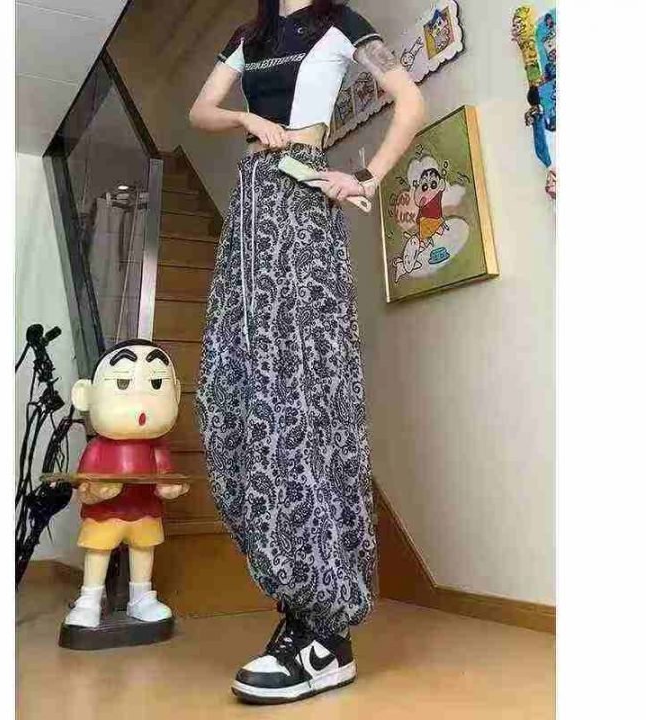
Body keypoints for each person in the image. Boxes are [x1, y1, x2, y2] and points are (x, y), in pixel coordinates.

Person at [190, 0, 425, 704]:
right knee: (237, 390)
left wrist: (369, 177)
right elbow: (202, 111)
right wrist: (244, 119)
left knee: (304, 393)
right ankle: (300, 601)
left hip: (303, 202)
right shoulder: (250, 35)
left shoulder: (341, 23)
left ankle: (325, 629)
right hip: (251, 207)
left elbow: (410, 99)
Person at [64, 340, 188, 628]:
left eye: (156, 383)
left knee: (144, 549)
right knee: (98, 551)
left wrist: (169, 488)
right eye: (122, 383)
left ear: (176, 392)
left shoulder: (156, 448)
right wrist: (95, 493)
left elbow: (166, 477)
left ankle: (141, 597)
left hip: (145, 510)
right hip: (105, 514)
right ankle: (89, 599)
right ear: (85, 396)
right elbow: (83, 488)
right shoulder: (98, 449)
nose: (141, 403)